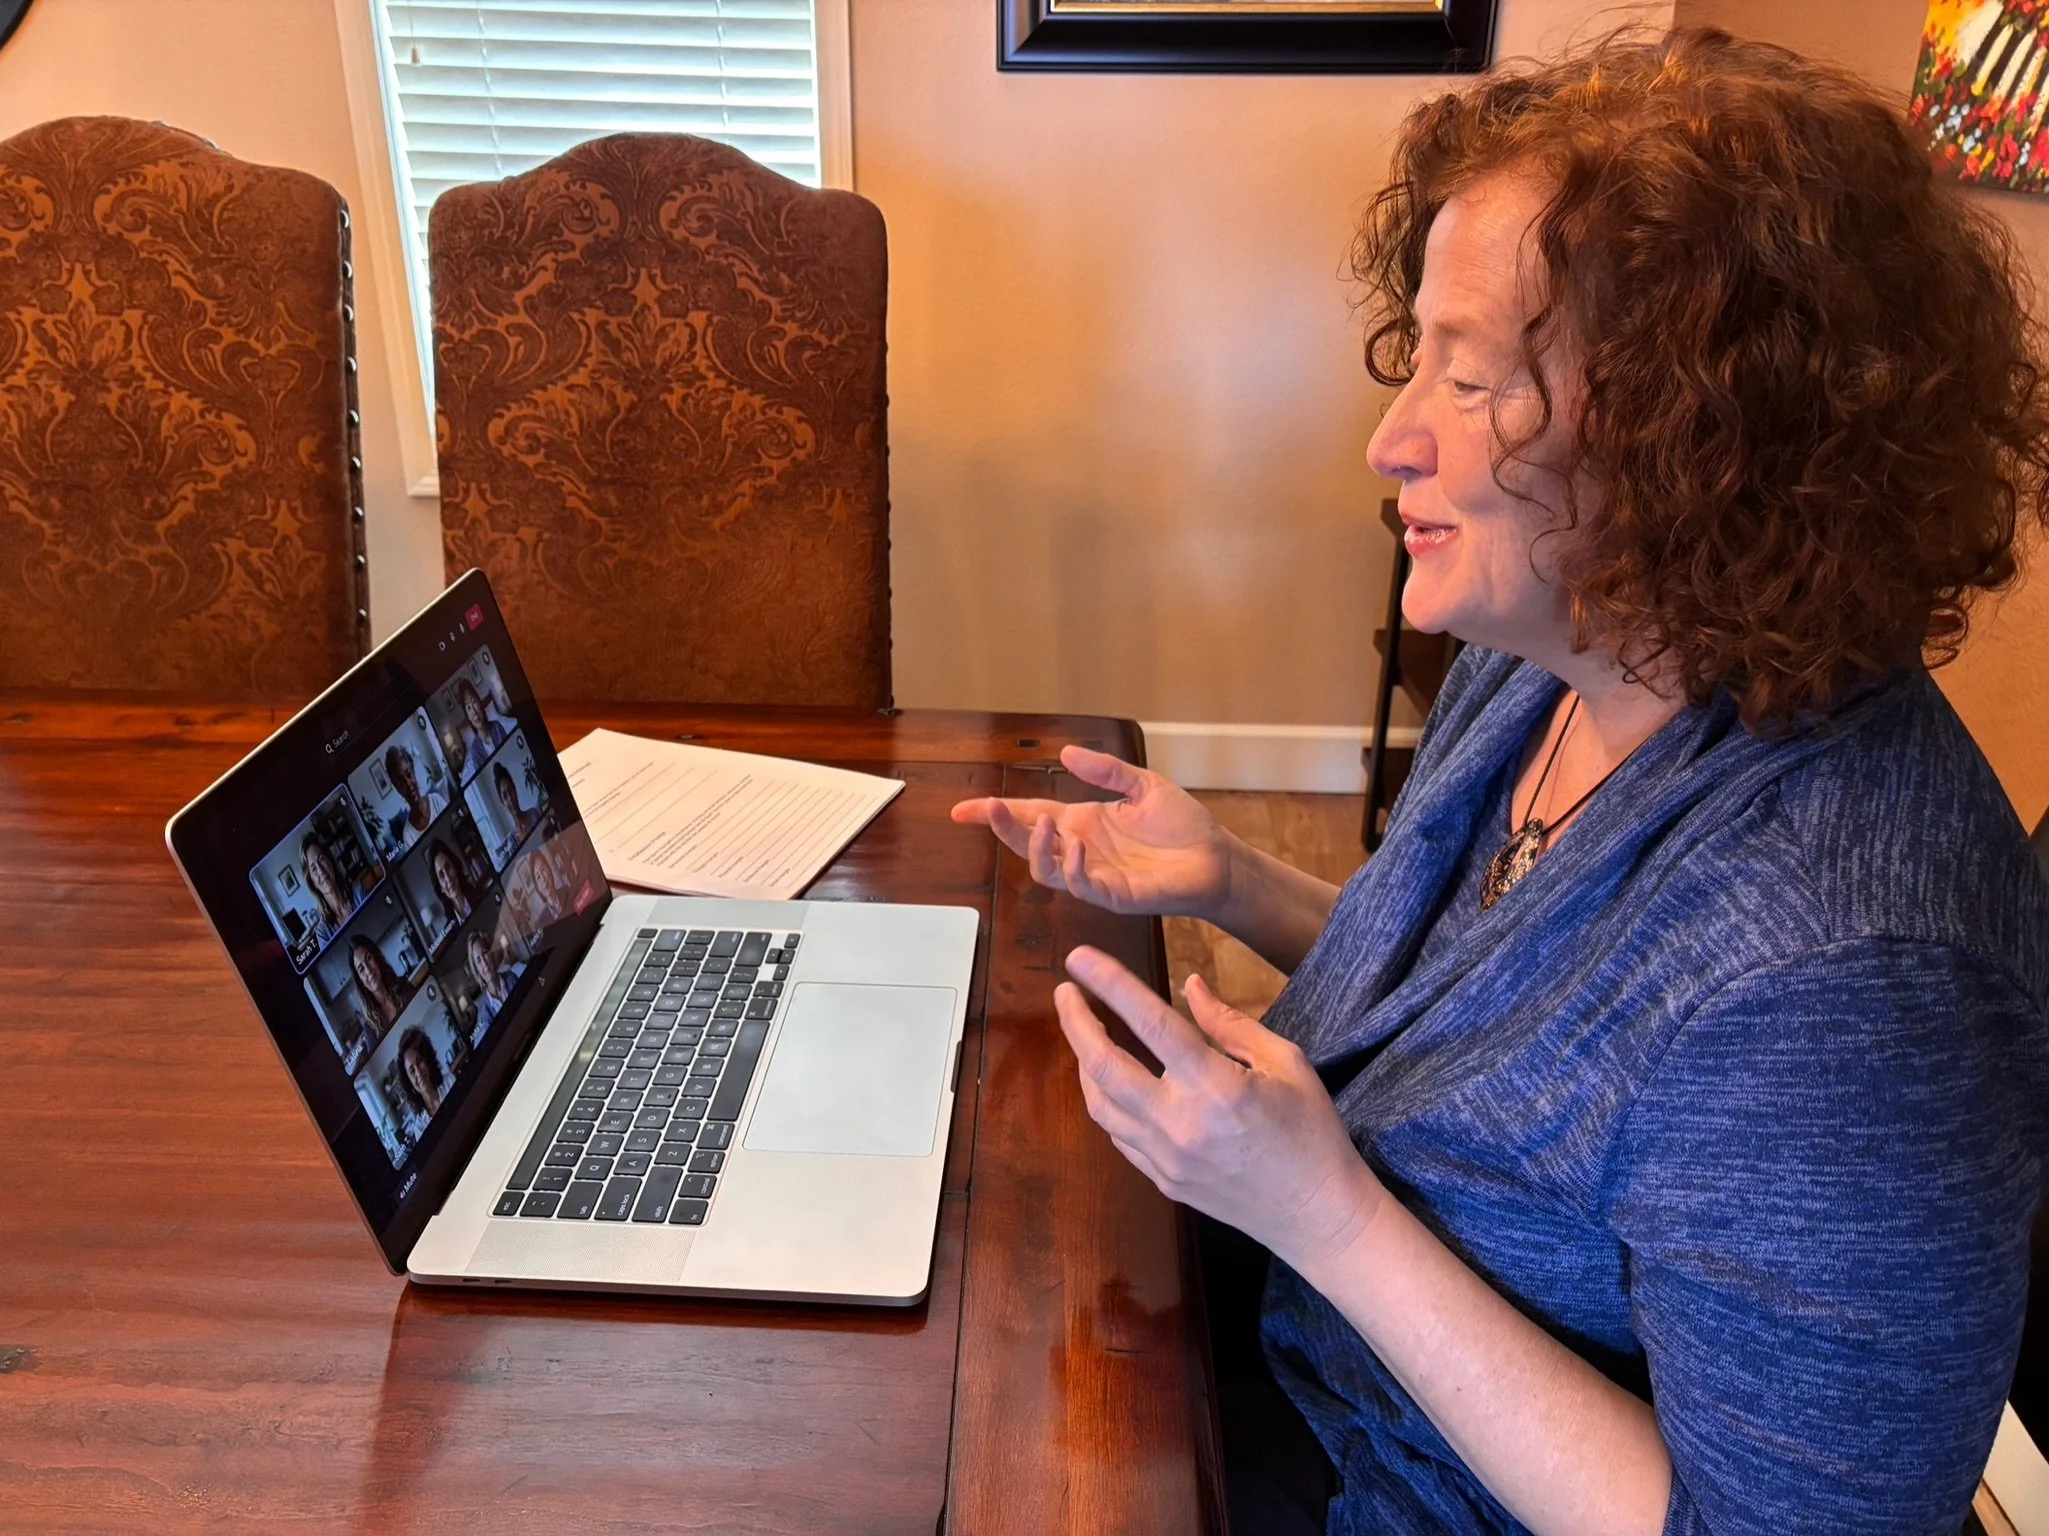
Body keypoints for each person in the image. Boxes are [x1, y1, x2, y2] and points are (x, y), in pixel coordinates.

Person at [952, 30, 2049, 1535]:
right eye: (1422, 359)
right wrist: (1234, 881)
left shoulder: (1849, 989)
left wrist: (1325, 1218)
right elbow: (1534, 1025)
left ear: (1696, 444)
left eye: (1468, 380)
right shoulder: (1569, 657)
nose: (1388, 440)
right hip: (1289, 1365)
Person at [384, 743, 448, 851]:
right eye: (401, 782)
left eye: (409, 774)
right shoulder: (408, 836)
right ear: (398, 789)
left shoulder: (436, 800)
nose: (408, 784)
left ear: (414, 773)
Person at [348, 934, 415, 1031]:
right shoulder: (370, 1028)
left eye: (369, 958)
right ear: (360, 981)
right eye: (361, 969)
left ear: (377, 959)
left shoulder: (404, 987)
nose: (368, 970)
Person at [300, 833, 355, 945]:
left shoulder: (358, 892)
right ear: (313, 883)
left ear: (331, 862)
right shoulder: (322, 932)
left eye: (321, 859)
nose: (321, 871)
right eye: (314, 869)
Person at [465, 930, 523, 1037]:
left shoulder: (513, 975)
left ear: (491, 953)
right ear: (477, 971)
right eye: (478, 960)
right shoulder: (483, 1013)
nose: (484, 963)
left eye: (485, 953)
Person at [455, 678, 513, 779]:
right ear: (468, 717)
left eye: (474, 702)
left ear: (480, 704)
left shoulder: (497, 726)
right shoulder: (475, 751)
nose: (474, 711)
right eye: (468, 707)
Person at [427, 837, 478, 928]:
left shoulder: (480, 893)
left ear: (455, 867)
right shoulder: (449, 930)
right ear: (440, 887)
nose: (448, 878)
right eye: (441, 875)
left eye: (448, 867)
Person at [396, 1026, 446, 1118]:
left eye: (419, 1061)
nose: (418, 1073)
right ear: (408, 1080)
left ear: (427, 1060)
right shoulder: (420, 1127)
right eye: (412, 1070)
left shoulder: (450, 1082)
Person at [493, 761, 541, 849]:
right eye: (505, 796)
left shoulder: (534, 814)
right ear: (502, 802)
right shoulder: (512, 841)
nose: (510, 798)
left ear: (515, 789)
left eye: (511, 790)